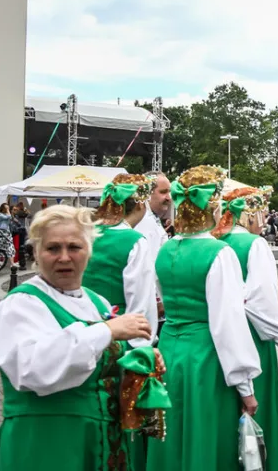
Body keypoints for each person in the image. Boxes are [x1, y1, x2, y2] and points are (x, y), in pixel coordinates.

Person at [0, 205, 162, 470]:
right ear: (36, 252)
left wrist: (136, 360)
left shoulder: (96, 302)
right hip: (48, 444)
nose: (64, 257)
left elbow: (100, 366)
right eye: (53, 248)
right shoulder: (21, 305)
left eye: (74, 247)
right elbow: (33, 369)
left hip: (100, 443)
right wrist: (107, 331)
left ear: (89, 252)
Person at [146, 165, 261, 470]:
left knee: (171, 436)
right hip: (207, 358)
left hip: (169, 352)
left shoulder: (164, 249)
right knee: (206, 436)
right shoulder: (219, 254)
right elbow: (228, 324)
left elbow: (160, 299)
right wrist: (245, 387)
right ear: (213, 205)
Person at [212, 185, 278, 471]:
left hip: (216, 336)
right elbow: (261, 302)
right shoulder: (253, 245)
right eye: (259, 212)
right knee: (256, 404)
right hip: (252, 335)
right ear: (248, 213)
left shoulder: (212, 241)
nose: (262, 220)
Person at [82, 173, 158, 347]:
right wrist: (141, 346)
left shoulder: (89, 233)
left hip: (82, 328)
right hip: (119, 333)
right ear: (140, 204)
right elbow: (141, 300)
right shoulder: (134, 241)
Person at [134, 172, 172, 330]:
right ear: (147, 194)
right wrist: (157, 300)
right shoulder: (144, 222)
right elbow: (147, 267)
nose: (169, 197)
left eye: (169, 192)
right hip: (149, 308)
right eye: (163, 192)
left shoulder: (151, 219)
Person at [11, 203, 30, 269]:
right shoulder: (17, 214)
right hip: (17, 231)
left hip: (19, 230)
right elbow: (26, 214)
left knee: (19, 246)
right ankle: (16, 261)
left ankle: (17, 260)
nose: (16, 210)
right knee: (17, 246)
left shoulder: (17, 214)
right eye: (14, 209)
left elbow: (27, 214)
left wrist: (25, 210)